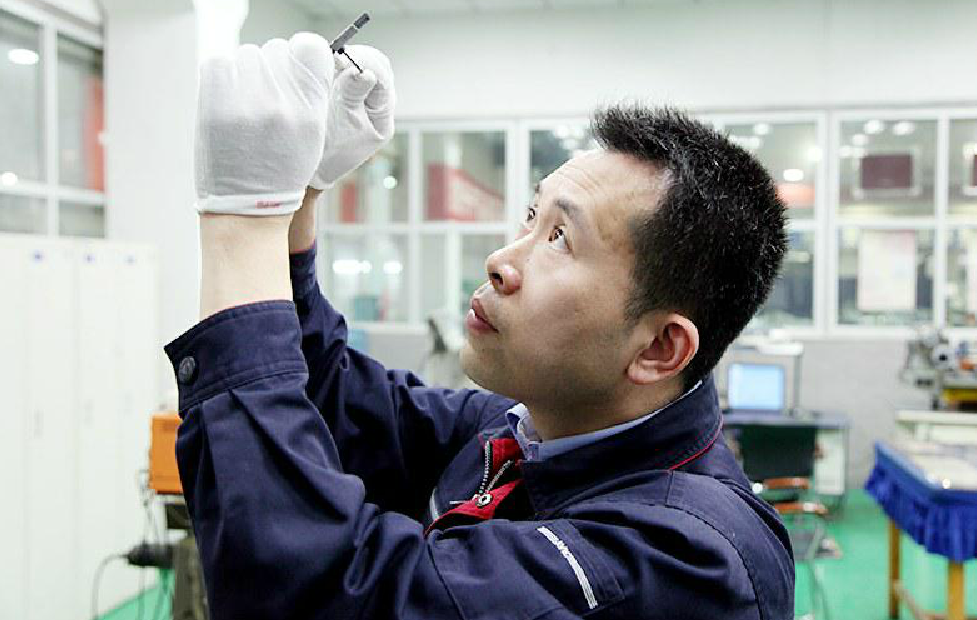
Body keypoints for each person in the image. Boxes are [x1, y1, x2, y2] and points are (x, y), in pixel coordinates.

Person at [165, 32, 794, 620]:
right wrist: (298, 196)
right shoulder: (529, 430)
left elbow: (321, 594)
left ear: (659, 347)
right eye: (530, 217)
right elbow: (334, 398)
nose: (501, 260)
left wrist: (241, 222)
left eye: (560, 238)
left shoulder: (686, 559)